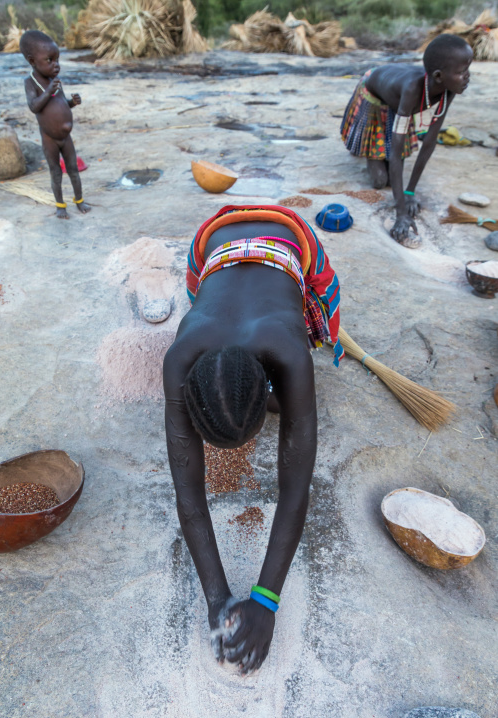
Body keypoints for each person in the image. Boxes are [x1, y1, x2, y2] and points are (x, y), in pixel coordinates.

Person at [163, 205, 343, 675]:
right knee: (292, 404)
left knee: (296, 404)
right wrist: (216, 597)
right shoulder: (180, 357)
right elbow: (188, 492)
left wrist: (266, 600)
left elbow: (295, 488)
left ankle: (279, 397)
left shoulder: (289, 352)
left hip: (288, 238)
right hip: (214, 244)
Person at [340, 34, 473, 248]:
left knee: (397, 180)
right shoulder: (412, 90)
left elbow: (429, 142)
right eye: (461, 72)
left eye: (467, 69)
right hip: (375, 92)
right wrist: (400, 212)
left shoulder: (449, 90)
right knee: (380, 181)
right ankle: (371, 155)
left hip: (397, 100)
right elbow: (395, 151)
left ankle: (381, 158)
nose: (467, 77)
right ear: (439, 76)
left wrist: (409, 192)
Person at [19, 30, 91, 219]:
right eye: (49, 60)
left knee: (73, 170)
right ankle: (60, 205)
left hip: (66, 137)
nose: (56, 65)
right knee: (56, 173)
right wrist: (48, 91)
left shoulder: (54, 81)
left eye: (57, 60)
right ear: (32, 61)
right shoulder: (31, 82)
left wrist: (72, 103)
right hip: (50, 139)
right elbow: (34, 106)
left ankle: (79, 200)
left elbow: (60, 104)